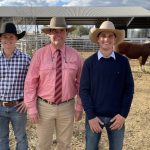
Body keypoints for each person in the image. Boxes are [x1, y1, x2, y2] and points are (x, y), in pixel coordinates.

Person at [24, 17, 83, 150]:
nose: (58, 34)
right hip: (44, 107)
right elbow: (30, 83)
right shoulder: (39, 55)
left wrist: (79, 106)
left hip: (67, 106)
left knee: (65, 144)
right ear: (49, 33)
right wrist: (31, 108)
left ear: (66, 33)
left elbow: (82, 83)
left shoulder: (76, 56)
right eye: (54, 31)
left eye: (61, 31)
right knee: (43, 145)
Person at [79, 21, 134, 150]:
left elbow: (129, 89)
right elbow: (84, 90)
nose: (106, 39)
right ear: (98, 38)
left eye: (110, 36)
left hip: (117, 118)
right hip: (94, 117)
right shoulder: (89, 63)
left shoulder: (123, 62)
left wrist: (123, 114)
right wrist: (91, 116)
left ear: (115, 39)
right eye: (103, 36)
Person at [0, 22, 31, 150]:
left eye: (11, 37)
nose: (8, 40)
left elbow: (33, 82)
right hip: (0, 106)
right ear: (0, 39)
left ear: (16, 39)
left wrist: (27, 101)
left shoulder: (26, 59)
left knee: (21, 137)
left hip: (18, 107)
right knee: (1, 138)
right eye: (5, 37)